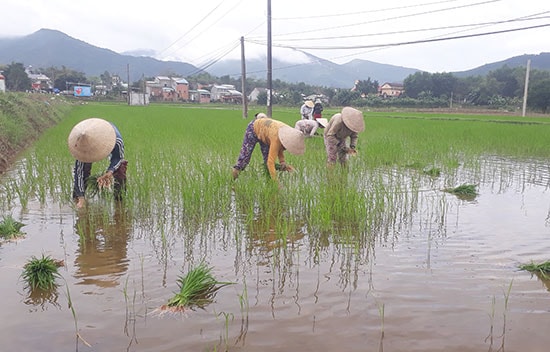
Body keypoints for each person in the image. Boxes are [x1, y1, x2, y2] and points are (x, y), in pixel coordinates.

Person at [68, 118, 127, 209]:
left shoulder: (116, 140)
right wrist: (81, 197)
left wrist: (110, 172)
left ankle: (119, 201)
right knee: (83, 172)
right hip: (84, 147)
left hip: (112, 142)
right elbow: (79, 173)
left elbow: (118, 158)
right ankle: (78, 198)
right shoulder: (81, 146)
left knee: (120, 171)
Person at [232, 113, 306, 181]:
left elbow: (280, 145)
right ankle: (231, 181)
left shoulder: (286, 133)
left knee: (267, 160)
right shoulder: (276, 138)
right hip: (253, 128)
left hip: (266, 133)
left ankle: (268, 181)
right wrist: (276, 182)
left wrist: (282, 161)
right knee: (244, 160)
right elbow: (270, 162)